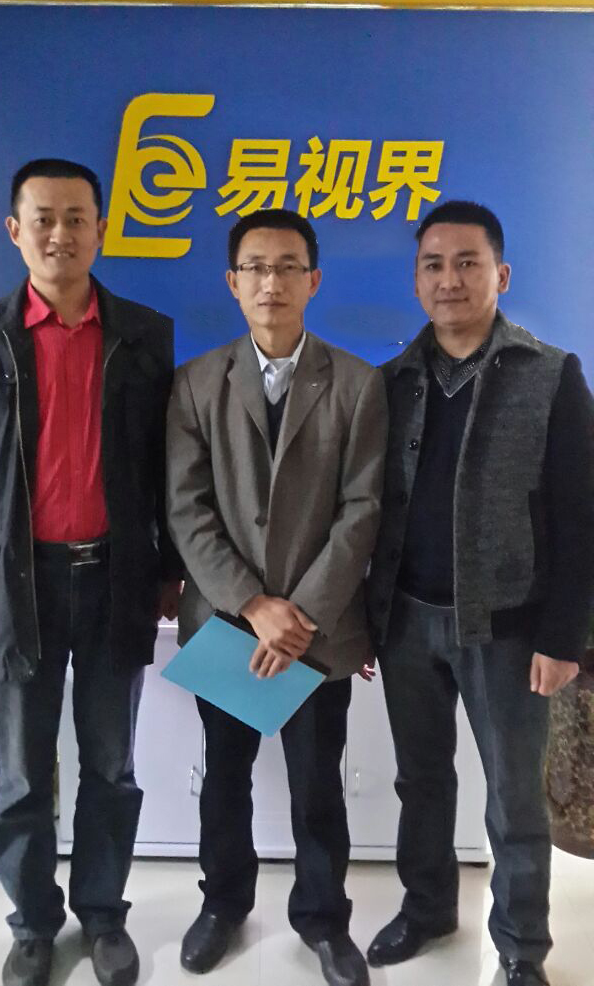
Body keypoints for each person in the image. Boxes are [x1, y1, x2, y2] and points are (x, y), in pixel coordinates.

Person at [0, 159, 181, 986]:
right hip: (15, 586)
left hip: (116, 577)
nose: (61, 234)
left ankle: (103, 914)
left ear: (102, 229)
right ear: (15, 231)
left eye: (77, 217)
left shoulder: (145, 335)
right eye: (43, 218)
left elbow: (168, 466)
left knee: (111, 765)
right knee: (21, 775)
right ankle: (33, 924)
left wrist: (169, 569)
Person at [365, 200, 594, 986]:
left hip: (508, 628)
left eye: (468, 262)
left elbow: (580, 516)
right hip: (406, 620)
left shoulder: (551, 374)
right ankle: (428, 906)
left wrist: (562, 637)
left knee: (514, 797)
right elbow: (370, 509)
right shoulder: (392, 380)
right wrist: (365, 618)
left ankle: (522, 948)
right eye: (433, 264)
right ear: (416, 280)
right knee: (420, 779)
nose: (450, 279)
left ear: (502, 274)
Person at [166, 208, 386, 986]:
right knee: (224, 779)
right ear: (233, 282)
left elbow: (362, 508)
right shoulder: (195, 382)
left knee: (317, 785)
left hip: (318, 633)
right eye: (256, 267)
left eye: (288, 265)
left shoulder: (357, 382)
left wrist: (302, 612)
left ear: (313, 280)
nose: (272, 281)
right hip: (227, 626)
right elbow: (186, 508)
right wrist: (255, 605)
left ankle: (324, 920)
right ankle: (222, 903)